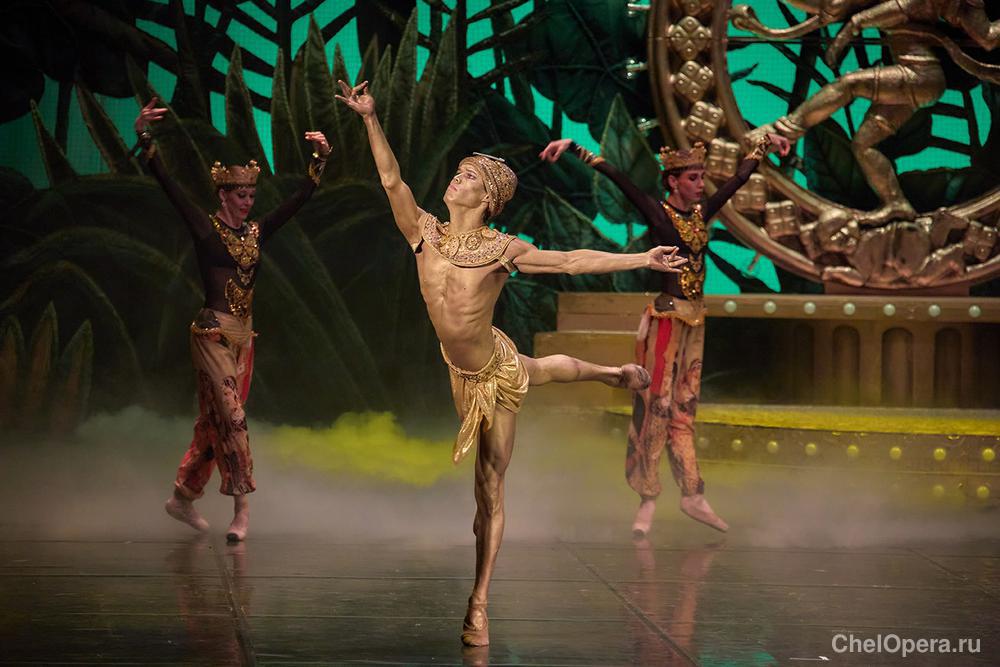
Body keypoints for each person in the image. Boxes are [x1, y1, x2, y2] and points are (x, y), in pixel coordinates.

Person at [336, 80, 686, 646]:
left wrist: (642, 257)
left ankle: (478, 602)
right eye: (458, 172)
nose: (456, 179)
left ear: (488, 198)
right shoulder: (424, 233)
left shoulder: (503, 249)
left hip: (492, 373)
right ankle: (611, 374)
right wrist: (370, 118)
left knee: (490, 488)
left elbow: (570, 261)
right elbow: (392, 180)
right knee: (540, 369)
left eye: (468, 176)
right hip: (459, 368)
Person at [539, 131, 790, 536]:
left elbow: (739, 179)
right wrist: (574, 149)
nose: (701, 184)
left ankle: (692, 494)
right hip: (665, 321)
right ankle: (648, 498)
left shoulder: (702, 212)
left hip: (696, 321)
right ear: (673, 181)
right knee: (656, 405)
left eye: (702, 176)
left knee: (684, 408)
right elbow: (619, 178)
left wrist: (764, 146)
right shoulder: (657, 212)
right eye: (693, 177)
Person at [133, 97, 330, 542]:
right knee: (234, 419)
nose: (247, 202)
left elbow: (298, 200)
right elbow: (167, 183)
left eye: (252, 196)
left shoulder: (256, 233)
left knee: (214, 424)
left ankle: (182, 497)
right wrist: (144, 136)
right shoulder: (206, 229)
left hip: (244, 338)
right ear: (223, 195)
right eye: (241, 196)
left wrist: (320, 160)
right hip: (212, 336)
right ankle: (242, 511)